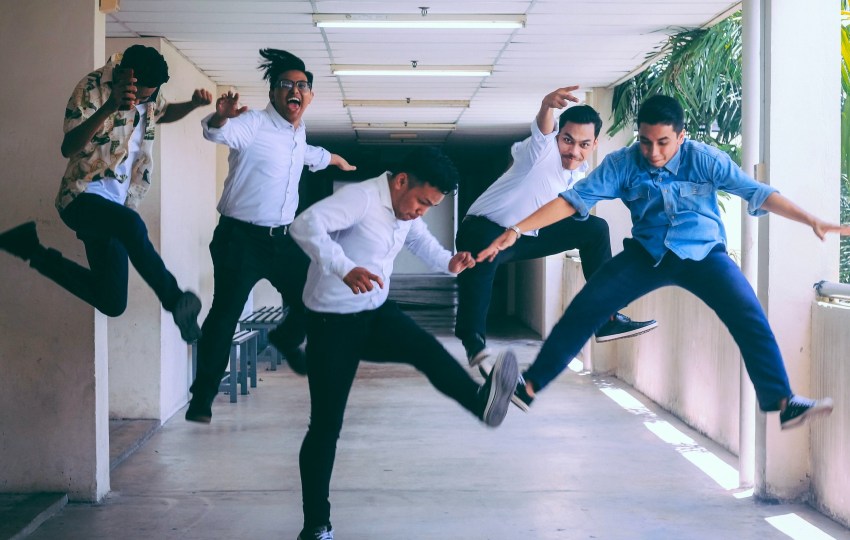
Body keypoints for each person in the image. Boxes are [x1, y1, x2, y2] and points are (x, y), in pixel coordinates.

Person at [478, 94, 844, 430]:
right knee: (586, 308)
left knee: (749, 316)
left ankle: (783, 402)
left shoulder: (706, 160)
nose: (652, 151)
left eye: (662, 142)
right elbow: (573, 199)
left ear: (681, 136)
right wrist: (517, 228)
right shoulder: (622, 164)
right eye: (645, 141)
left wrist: (810, 219)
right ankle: (528, 387)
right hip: (647, 255)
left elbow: (758, 193)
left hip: (704, 256)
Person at [290, 146, 519, 540]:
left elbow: (420, 241)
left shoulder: (405, 210)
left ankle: (482, 403)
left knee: (427, 350)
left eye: (431, 206)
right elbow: (304, 225)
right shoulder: (360, 198)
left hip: (376, 313)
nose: (421, 211)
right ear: (400, 182)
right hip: (332, 323)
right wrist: (344, 268)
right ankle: (316, 525)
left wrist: (449, 262)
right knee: (326, 426)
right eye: (422, 201)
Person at [185, 49, 355, 424]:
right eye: (286, 85)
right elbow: (216, 131)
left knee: (313, 298)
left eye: (302, 86)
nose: (295, 91)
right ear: (273, 93)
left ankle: (285, 339)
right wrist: (220, 116)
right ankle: (202, 398)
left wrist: (335, 159)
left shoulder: (298, 133)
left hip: (281, 241)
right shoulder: (253, 125)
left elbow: (305, 154)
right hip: (240, 239)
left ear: (309, 96)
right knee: (226, 313)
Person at [0, 45, 211, 342]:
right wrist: (111, 106)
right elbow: (68, 147)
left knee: (112, 301)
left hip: (116, 206)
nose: (144, 100)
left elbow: (162, 112)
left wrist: (191, 104)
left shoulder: (149, 97)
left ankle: (31, 249)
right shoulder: (90, 89)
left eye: (150, 95)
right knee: (131, 225)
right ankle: (176, 300)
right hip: (81, 197)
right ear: (127, 74)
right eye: (141, 93)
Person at [455, 86, 657, 372]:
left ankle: (607, 318)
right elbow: (543, 130)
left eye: (583, 145)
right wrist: (546, 106)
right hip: (480, 229)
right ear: (557, 137)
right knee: (486, 252)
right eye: (567, 140)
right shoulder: (542, 151)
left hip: (523, 237)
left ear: (594, 145)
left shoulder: (579, 176)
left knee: (596, 229)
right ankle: (473, 338)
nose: (573, 151)